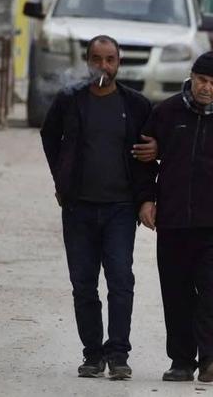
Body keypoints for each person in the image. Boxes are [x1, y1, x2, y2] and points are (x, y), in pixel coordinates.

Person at [138, 52, 213, 383]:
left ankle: (212, 356)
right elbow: (143, 159)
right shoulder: (165, 113)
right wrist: (147, 199)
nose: (206, 88)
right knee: (176, 290)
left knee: (209, 286)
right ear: (191, 78)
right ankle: (181, 360)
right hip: (174, 219)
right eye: (201, 80)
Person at [40, 34, 158, 380]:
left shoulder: (136, 105)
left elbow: (152, 147)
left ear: (119, 62)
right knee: (83, 284)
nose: (103, 66)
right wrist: (62, 179)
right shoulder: (70, 100)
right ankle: (92, 354)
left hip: (121, 208)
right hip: (78, 208)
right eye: (96, 59)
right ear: (87, 61)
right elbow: (50, 136)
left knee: (121, 280)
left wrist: (154, 159)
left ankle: (118, 354)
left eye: (110, 59)